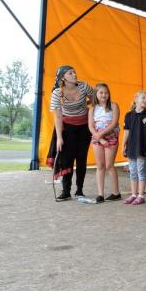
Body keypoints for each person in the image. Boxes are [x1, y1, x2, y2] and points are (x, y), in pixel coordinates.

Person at [47, 65, 94, 201]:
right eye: (70, 73)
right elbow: (57, 117)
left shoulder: (84, 86)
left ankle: (79, 190)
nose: (74, 75)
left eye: (74, 72)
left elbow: (95, 98)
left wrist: (88, 105)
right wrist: (59, 138)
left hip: (84, 127)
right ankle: (66, 191)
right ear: (63, 78)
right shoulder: (57, 93)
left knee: (81, 158)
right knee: (67, 159)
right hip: (67, 127)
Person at [88, 83, 121, 203]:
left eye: (106, 92)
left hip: (110, 138)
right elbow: (91, 126)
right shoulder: (92, 109)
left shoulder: (113, 106)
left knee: (109, 165)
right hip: (98, 139)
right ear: (96, 94)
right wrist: (99, 137)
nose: (104, 95)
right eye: (101, 92)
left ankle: (116, 193)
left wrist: (100, 135)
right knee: (100, 165)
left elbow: (114, 123)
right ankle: (100, 194)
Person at [122, 91, 146, 205]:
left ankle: (141, 195)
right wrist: (123, 145)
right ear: (136, 99)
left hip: (142, 148)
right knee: (132, 171)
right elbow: (126, 131)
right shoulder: (128, 115)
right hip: (131, 148)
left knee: (141, 171)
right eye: (143, 98)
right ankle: (133, 194)